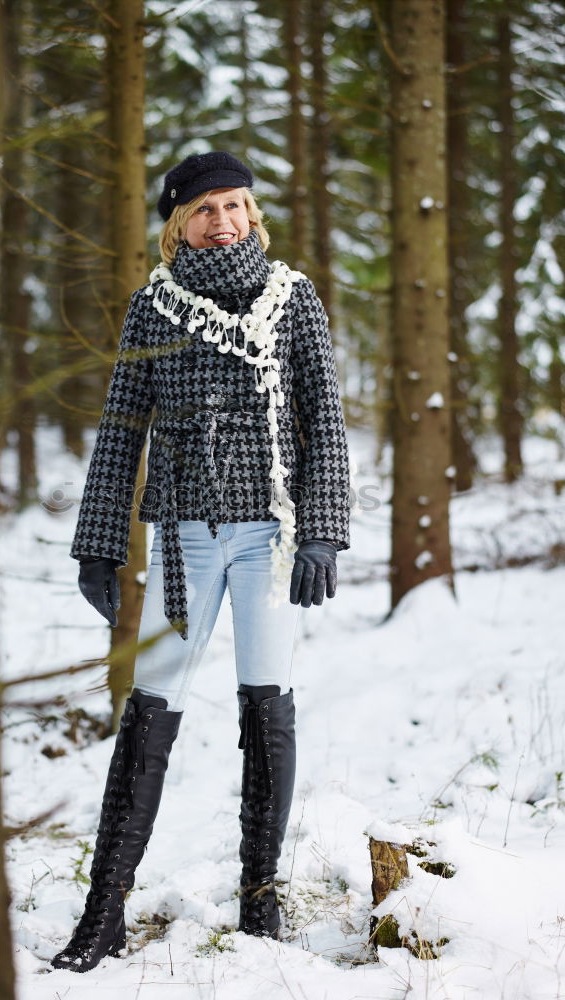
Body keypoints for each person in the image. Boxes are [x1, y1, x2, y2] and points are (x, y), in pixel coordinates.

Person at [51, 151, 350, 973]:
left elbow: (324, 421)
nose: (223, 220)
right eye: (204, 208)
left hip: (268, 533)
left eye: (235, 204)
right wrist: (99, 543)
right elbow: (120, 429)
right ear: (176, 222)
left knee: (266, 701)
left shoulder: (292, 302)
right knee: (150, 705)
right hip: (182, 537)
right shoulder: (153, 305)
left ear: (253, 213)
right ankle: (101, 911)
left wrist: (322, 531)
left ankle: (262, 898)